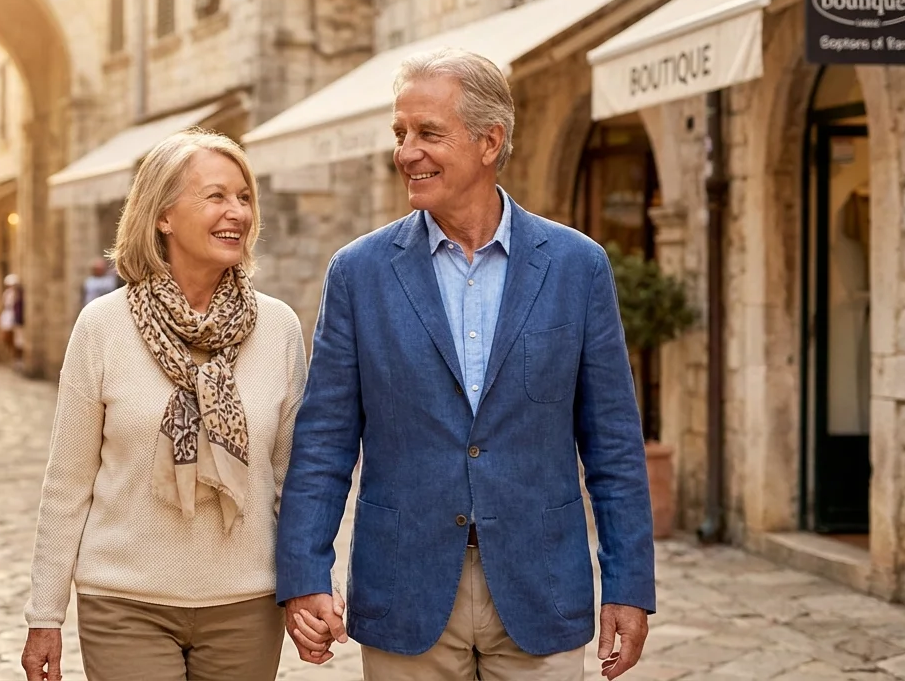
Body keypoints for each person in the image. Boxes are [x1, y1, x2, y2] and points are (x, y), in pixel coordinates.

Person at [275, 47, 655, 681]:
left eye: (428, 133)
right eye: (400, 133)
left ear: (489, 141)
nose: (406, 152)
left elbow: (613, 443)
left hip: (540, 586)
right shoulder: (358, 273)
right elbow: (323, 442)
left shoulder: (578, 266)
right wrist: (305, 574)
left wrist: (629, 584)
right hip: (405, 588)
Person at [21, 128, 320, 681]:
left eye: (244, 197)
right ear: (163, 215)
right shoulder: (103, 327)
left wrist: (308, 586)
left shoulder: (278, 328)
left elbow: (292, 481)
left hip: (245, 603)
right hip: (124, 601)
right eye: (215, 196)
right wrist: (45, 614)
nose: (237, 212)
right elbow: (68, 482)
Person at [0, 274, 24, 369]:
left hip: (16, 318)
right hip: (9, 316)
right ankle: (11, 357)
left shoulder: (19, 295)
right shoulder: (7, 294)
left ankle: (18, 360)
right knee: (7, 337)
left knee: (18, 339)